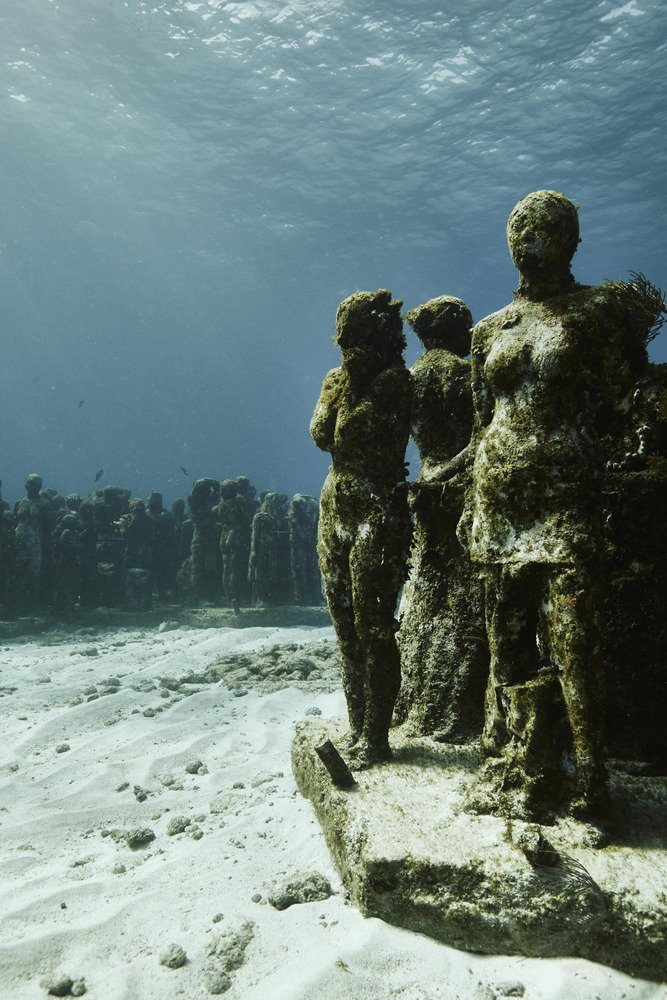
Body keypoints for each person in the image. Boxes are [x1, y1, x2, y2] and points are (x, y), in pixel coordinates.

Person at [459, 190, 660, 819]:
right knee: (507, 646)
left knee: (576, 645)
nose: (528, 240)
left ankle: (592, 783)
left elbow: (629, 400)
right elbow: (479, 424)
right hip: (498, 504)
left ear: (572, 239)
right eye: (518, 228)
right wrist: (471, 499)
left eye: (544, 229)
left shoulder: (598, 311)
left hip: (567, 501)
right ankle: (520, 766)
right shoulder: (488, 329)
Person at [311, 289, 411, 768]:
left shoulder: (394, 380)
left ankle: (376, 737)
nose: (347, 343)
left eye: (355, 332)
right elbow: (319, 433)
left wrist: (349, 383)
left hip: (377, 508)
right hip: (336, 507)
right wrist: (343, 383)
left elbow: (351, 433)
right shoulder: (338, 380)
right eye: (343, 333)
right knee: (345, 628)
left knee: (374, 628)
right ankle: (356, 727)